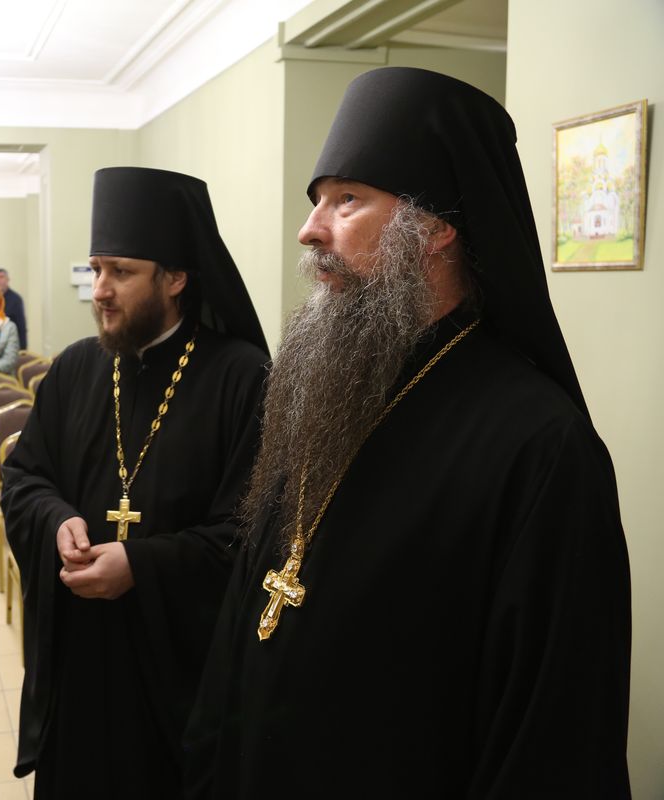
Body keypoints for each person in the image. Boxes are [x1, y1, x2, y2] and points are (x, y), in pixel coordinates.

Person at [184, 67, 631, 798]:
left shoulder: (540, 446)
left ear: (435, 227)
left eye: (346, 200)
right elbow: (249, 606)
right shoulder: (318, 389)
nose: (309, 229)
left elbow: (550, 731)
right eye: (316, 201)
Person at [1, 167, 271, 798]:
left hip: (180, 683)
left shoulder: (243, 379)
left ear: (175, 278)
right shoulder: (75, 369)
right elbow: (25, 478)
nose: (99, 290)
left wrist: (141, 566)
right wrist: (56, 520)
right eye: (96, 269)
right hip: (82, 668)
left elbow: (254, 535)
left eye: (120, 272)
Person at [0, 268, 27, 351]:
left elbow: (21, 326)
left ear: (7, 280)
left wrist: (23, 349)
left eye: (1, 277)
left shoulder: (16, 299)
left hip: (10, 344)